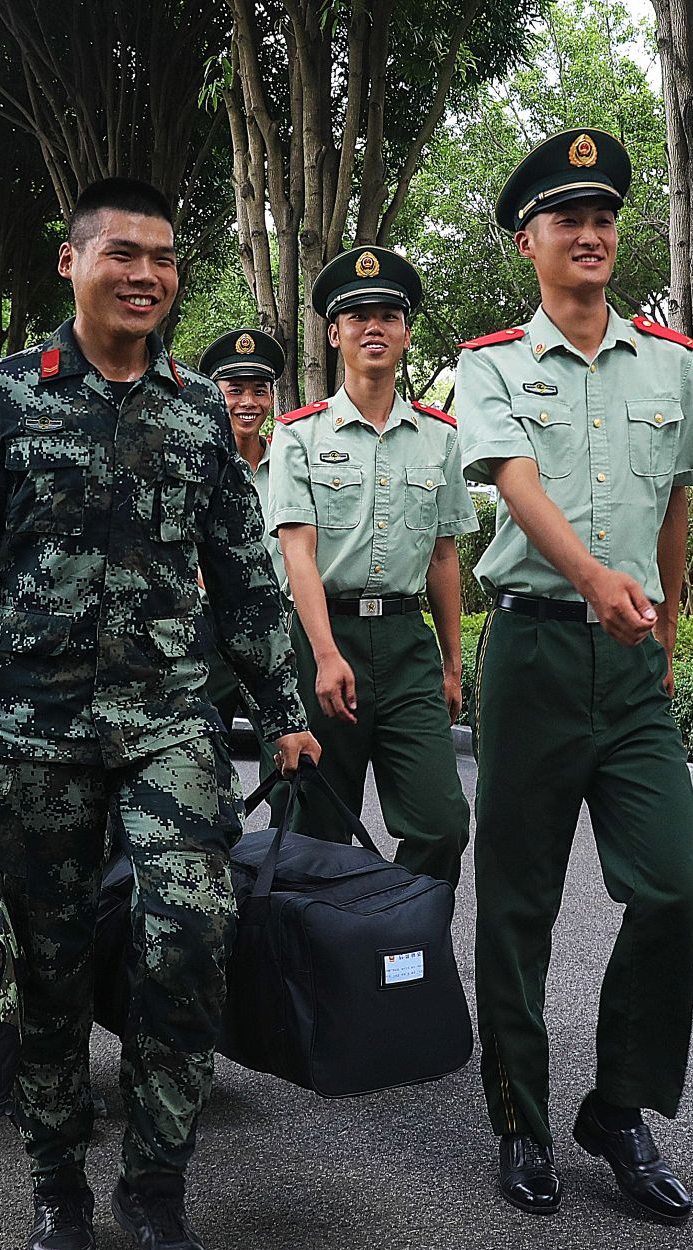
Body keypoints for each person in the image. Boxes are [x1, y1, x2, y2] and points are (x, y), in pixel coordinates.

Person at [0, 178, 319, 1250]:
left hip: (170, 718)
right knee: (52, 959)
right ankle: (59, 1179)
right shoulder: (5, 396)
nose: (146, 274)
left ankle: (158, 1181)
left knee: (189, 928)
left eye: (163, 257)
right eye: (122, 253)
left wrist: (284, 709)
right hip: (36, 725)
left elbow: (245, 571)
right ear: (71, 264)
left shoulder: (200, 407)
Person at [455, 128, 693, 1222]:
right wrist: (596, 578)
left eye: (604, 217)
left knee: (672, 889)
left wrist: (667, 616)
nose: (593, 235)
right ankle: (520, 1116)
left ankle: (619, 1104)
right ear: (532, 242)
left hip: (631, 657)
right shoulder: (491, 365)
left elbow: (681, 500)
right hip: (536, 647)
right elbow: (515, 482)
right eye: (570, 220)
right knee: (519, 901)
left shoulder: (673, 364)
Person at [265, 246, 476, 889]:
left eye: (388, 315)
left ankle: (393, 933)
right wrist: (325, 654)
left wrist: (451, 660)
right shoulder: (299, 434)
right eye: (357, 316)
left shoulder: (439, 436)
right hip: (329, 636)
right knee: (316, 824)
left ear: (406, 331)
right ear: (335, 333)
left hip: (408, 644)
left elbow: (443, 556)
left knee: (441, 821)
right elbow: (297, 551)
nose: (373, 327)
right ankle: (320, 963)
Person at [194, 328, 284, 743]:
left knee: (292, 769)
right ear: (215, 395)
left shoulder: (292, 461)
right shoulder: (192, 463)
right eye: (235, 390)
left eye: (259, 390)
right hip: (208, 630)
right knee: (202, 762)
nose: (249, 403)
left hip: (278, 626)